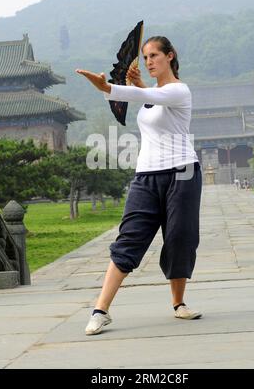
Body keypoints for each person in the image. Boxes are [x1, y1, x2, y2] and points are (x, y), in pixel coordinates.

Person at [76, 36, 203, 335]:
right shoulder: (153, 94)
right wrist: (137, 87)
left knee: (179, 238)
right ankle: (100, 310)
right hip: (146, 175)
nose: (149, 61)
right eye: (145, 57)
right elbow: (151, 100)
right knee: (129, 238)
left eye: (155, 55)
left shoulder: (179, 90)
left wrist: (107, 87)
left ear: (170, 56)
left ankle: (178, 304)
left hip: (182, 171)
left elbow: (160, 98)